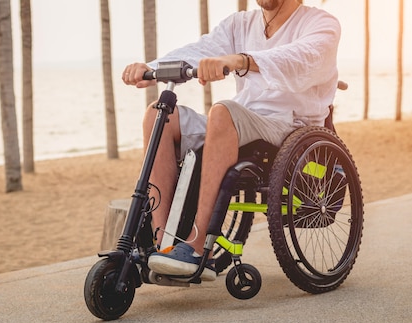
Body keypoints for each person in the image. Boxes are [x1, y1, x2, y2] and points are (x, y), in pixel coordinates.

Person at [121, 0, 340, 281]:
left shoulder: (321, 23)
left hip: (291, 123)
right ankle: (165, 243)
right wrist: (152, 68)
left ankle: (198, 246)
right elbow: (201, 49)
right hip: (244, 117)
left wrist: (241, 60)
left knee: (223, 112)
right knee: (158, 115)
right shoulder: (240, 24)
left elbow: (300, 58)